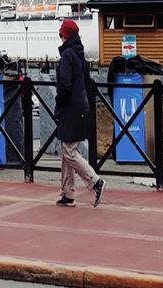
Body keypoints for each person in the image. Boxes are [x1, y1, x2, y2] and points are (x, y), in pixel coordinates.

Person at [56, 18, 104, 207]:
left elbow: (65, 84)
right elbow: (85, 82)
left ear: (66, 35)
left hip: (71, 106)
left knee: (69, 151)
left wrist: (59, 103)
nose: (60, 37)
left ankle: (95, 181)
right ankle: (67, 194)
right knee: (67, 149)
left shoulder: (68, 54)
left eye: (61, 34)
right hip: (80, 104)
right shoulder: (80, 54)